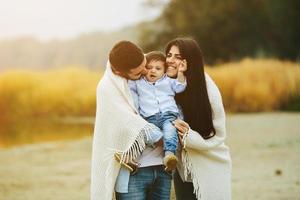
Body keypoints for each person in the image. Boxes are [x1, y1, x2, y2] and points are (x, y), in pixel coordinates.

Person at [90, 41, 172, 200]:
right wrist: (166, 139)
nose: (145, 72)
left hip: (161, 167)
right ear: (119, 72)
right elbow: (128, 121)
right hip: (133, 173)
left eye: (144, 64)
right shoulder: (108, 88)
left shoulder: (150, 65)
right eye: (138, 72)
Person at [165, 38, 232, 200]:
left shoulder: (206, 88)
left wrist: (190, 135)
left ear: (189, 61)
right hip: (181, 165)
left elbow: (216, 132)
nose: (171, 60)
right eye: (169, 55)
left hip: (206, 160)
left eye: (178, 57)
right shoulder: (165, 84)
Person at [128, 51, 187, 171]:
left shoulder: (168, 81)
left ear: (164, 71)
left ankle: (169, 155)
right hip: (149, 117)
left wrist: (180, 72)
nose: (153, 71)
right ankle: (130, 157)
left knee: (170, 132)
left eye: (158, 68)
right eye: (149, 68)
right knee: (141, 134)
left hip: (168, 115)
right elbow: (129, 85)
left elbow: (180, 87)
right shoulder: (139, 82)